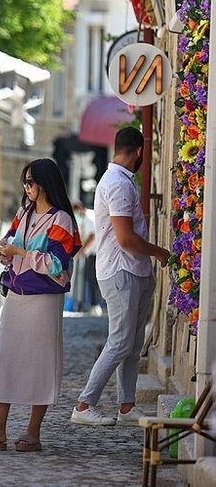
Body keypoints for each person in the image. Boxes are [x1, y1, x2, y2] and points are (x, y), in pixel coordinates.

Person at [0, 158, 81, 452]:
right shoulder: (24, 212)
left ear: (44, 183)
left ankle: (33, 431)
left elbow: (57, 263)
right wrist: (5, 253)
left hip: (44, 299)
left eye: (30, 182)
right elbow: (10, 239)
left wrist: (21, 251)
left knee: (40, 362)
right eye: (24, 182)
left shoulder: (62, 220)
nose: (26, 187)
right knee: (4, 358)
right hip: (17, 295)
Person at [71, 127, 170, 426]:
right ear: (139, 152)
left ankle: (126, 406)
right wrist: (159, 252)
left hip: (134, 270)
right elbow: (126, 238)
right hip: (121, 271)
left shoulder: (120, 181)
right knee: (121, 340)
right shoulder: (118, 184)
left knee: (133, 342)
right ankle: (85, 404)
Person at [73, 202, 101, 313]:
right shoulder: (85, 218)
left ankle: (95, 304)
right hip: (90, 253)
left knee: (92, 279)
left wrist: (82, 250)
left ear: (80, 208)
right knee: (89, 278)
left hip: (94, 253)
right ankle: (89, 303)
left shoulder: (89, 217)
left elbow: (92, 236)